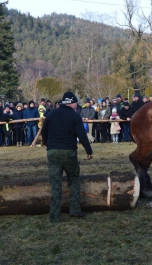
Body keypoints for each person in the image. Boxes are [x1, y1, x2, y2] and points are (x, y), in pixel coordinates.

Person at [41, 91, 93, 223]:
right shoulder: (74, 116)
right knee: (74, 180)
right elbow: (82, 135)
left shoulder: (51, 114)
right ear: (72, 103)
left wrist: (49, 146)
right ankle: (75, 209)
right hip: (69, 152)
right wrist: (89, 150)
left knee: (55, 184)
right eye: (76, 103)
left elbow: (44, 132)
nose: (77, 106)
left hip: (52, 152)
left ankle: (54, 215)